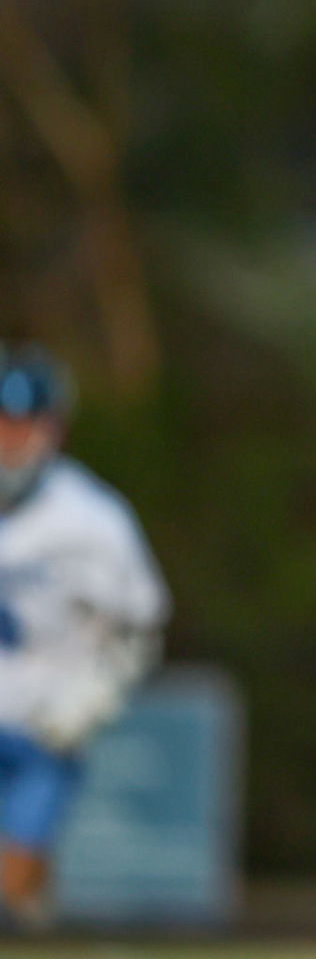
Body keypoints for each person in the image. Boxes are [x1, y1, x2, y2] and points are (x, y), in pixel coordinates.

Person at [0, 344, 170, 927]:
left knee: (14, 886)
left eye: (20, 423)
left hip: (38, 725)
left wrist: (91, 700)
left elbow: (141, 628)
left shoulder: (91, 520)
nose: (9, 438)